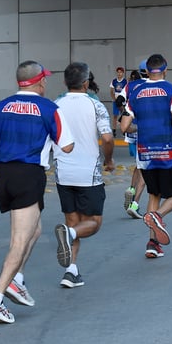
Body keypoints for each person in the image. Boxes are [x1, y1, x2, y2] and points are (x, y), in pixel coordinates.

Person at [0, 61, 74, 323]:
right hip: (29, 175)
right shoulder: (49, 108)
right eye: (45, 80)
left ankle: (16, 280)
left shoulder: (0, 106)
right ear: (40, 81)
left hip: (4, 175)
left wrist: (1, 150)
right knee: (19, 241)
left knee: (35, 230)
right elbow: (68, 147)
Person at [53, 62, 114, 288]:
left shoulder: (55, 105)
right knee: (93, 223)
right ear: (86, 82)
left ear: (65, 82)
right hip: (88, 173)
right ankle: (68, 236)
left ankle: (71, 271)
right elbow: (107, 138)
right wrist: (109, 160)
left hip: (63, 173)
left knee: (73, 221)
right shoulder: (95, 105)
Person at [120, 54, 172, 259]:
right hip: (167, 152)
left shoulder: (136, 92)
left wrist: (139, 128)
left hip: (145, 154)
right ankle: (156, 217)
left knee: (154, 195)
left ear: (147, 71)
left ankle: (152, 244)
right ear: (165, 70)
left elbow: (124, 126)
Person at [120, 68, 146, 219]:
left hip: (131, 129)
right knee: (145, 170)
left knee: (139, 163)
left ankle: (131, 188)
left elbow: (119, 100)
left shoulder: (129, 86)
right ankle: (134, 204)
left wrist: (124, 113)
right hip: (146, 130)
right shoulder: (150, 86)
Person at [109, 66, 128, 133]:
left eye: (121, 72)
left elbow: (127, 91)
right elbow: (111, 91)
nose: (119, 74)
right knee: (115, 115)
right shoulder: (114, 81)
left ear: (123, 73)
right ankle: (114, 130)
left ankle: (124, 130)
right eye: (118, 72)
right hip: (115, 101)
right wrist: (114, 98)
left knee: (123, 115)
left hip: (122, 101)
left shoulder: (125, 81)